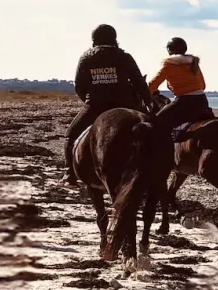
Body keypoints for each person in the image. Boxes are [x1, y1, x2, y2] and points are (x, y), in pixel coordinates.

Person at [65, 24, 155, 183]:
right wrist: (148, 102)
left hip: (96, 105)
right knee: (152, 132)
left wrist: (87, 101)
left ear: (94, 39)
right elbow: (139, 82)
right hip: (125, 104)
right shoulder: (124, 56)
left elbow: (79, 85)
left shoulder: (86, 57)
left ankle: (70, 173)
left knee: (71, 135)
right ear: (114, 38)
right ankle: (157, 172)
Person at [147, 36, 214, 140]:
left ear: (169, 50)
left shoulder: (169, 64)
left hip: (183, 103)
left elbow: (153, 84)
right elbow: (203, 85)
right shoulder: (194, 63)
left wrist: (144, 94)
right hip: (202, 101)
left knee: (155, 123)